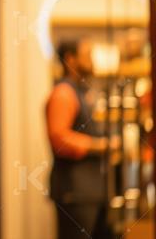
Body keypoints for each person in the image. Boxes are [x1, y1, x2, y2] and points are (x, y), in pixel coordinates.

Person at [46, 39, 114, 238]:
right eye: (87, 54)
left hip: (93, 192)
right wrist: (99, 145)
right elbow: (59, 138)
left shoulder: (83, 92)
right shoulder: (63, 93)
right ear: (71, 59)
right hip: (76, 193)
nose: (92, 60)